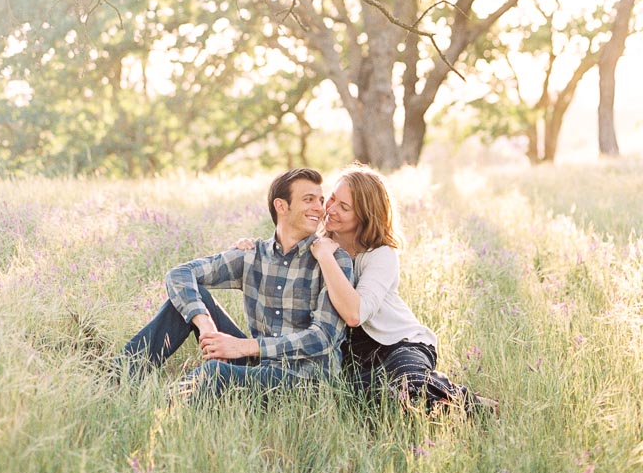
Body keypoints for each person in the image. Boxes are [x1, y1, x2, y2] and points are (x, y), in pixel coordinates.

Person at [113, 167, 353, 402]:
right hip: (260, 366)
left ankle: (154, 408)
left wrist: (243, 347)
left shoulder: (331, 259)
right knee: (189, 301)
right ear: (281, 206)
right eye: (308, 199)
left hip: (304, 380)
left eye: (320, 200)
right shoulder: (253, 255)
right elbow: (180, 274)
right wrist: (205, 323)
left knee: (213, 374)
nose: (319, 208)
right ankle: (116, 380)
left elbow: (323, 337)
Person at [310, 164, 498, 416]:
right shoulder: (316, 243)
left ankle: (473, 405)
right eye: (331, 198)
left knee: (409, 389)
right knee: (358, 397)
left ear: (365, 216)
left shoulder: (380, 255)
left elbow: (355, 314)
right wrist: (247, 248)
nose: (331, 210)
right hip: (352, 354)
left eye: (344, 207)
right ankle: (447, 393)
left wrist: (325, 257)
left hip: (398, 343)